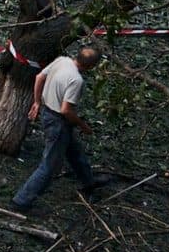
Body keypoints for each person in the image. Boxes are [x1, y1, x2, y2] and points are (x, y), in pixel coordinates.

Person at [13, 44, 103, 212]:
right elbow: (66, 110)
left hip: (48, 112)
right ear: (91, 66)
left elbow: (39, 77)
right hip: (58, 121)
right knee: (50, 165)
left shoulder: (62, 61)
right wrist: (83, 125)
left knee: (75, 152)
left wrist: (37, 102)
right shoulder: (76, 80)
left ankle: (89, 183)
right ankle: (22, 200)